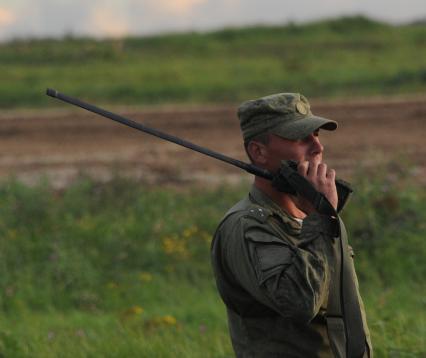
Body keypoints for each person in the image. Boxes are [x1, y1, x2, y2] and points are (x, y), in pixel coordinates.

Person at [211, 93, 372, 357]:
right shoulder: (246, 226)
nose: (317, 147)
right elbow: (300, 302)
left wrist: (319, 217)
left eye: (317, 134)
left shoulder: (306, 217)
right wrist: (319, 219)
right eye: (300, 138)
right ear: (258, 152)